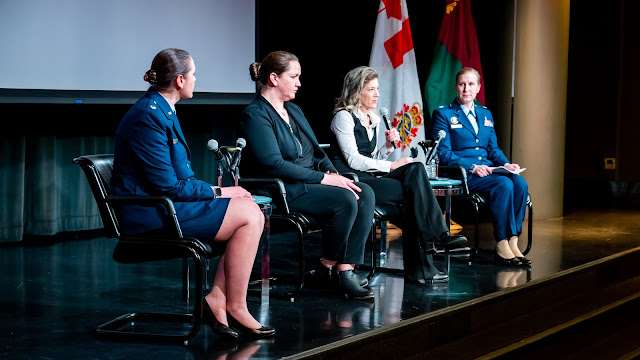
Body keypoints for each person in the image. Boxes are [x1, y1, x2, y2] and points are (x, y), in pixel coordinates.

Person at [110, 48, 275, 340]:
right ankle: (233, 305)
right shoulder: (147, 116)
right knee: (248, 215)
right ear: (180, 81)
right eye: (194, 74)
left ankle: (218, 301)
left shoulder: (162, 109)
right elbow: (168, 187)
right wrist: (218, 190)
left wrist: (223, 193)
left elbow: (180, 179)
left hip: (170, 206)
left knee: (250, 208)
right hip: (152, 213)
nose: (197, 80)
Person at [240, 51, 375, 300]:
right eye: (294, 77)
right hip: (282, 189)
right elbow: (273, 163)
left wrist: (333, 173)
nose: (299, 83)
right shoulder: (256, 113)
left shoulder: (294, 110)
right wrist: (325, 179)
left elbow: (316, 153)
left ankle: (343, 269)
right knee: (344, 199)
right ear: (273, 78)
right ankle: (327, 268)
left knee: (363, 191)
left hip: (309, 182)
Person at [328, 66, 467, 284]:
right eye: (371, 89)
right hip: (353, 182)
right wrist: (391, 166)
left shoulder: (371, 119)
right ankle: (437, 239)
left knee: (416, 170)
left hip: (370, 179)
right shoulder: (343, 118)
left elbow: (372, 157)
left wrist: (388, 147)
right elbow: (354, 161)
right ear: (357, 92)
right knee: (414, 195)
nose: (377, 94)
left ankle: (428, 257)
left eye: (377, 89)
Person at [431, 67, 531, 266]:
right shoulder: (443, 113)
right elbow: (443, 153)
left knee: (519, 183)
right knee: (504, 185)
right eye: (462, 84)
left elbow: (493, 149)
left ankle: (513, 240)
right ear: (456, 87)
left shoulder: (485, 114)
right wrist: (472, 167)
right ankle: (501, 242)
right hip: (462, 173)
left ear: (478, 88)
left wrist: (506, 164)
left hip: (488, 171)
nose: (466, 89)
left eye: (471, 84)